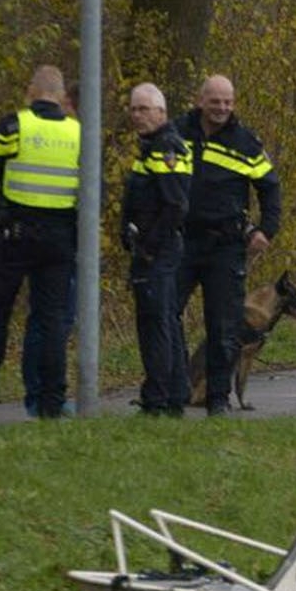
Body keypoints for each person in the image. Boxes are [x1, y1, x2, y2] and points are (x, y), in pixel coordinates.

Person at [0, 65, 81, 422]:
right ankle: (51, 405)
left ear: (30, 91)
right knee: (53, 323)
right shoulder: (79, 133)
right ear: (61, 98)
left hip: (13, 237)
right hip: (59, 241)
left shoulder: (14, 126)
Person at [174, 74, 282, 417]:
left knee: (223, 326)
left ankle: (217, 399)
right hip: (182, 242)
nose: (221, 108)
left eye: (227, 102)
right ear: (200, 100)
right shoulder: (176, 133)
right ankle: (174, 387)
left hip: (225, 247)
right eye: (215, 101)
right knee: (163, 313)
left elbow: (270, 188)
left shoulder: (246, 142)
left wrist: (267, 230)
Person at [121, 83, 193, 417]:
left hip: (159, 253)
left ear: (161, 113)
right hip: (153, 251)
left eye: (144, 109)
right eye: (134, 109)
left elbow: (175, 206)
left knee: (156, 324)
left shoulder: (167, 147)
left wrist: (148, 245)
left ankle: (159, 398)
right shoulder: (150, 147)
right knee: (162, 321)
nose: (138, 116)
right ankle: (174, 393)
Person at [21, 80, 80, 418]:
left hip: (68, 246)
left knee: (58, 321)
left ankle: (48, 395)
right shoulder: (52, 135)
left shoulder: (73, 135)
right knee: (48, 321)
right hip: (52, 244)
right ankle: (40, 395)